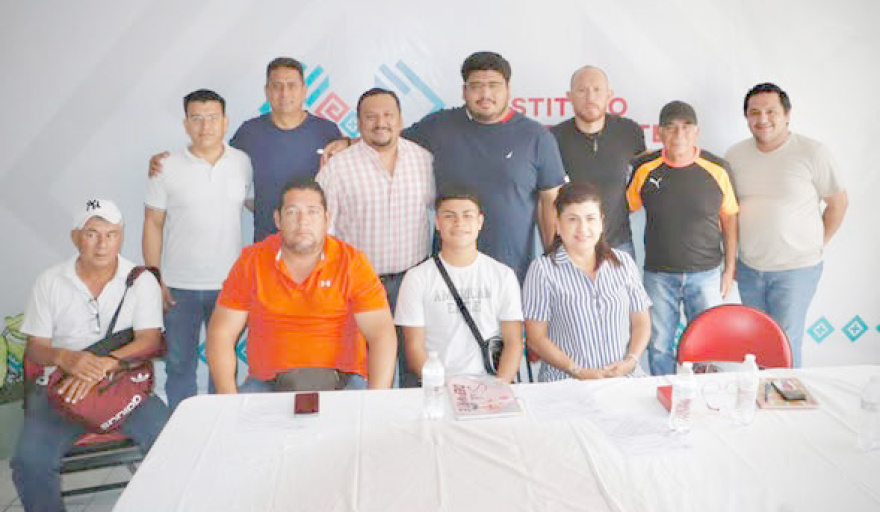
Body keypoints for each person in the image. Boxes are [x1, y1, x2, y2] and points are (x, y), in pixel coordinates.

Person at [324, 51, 566, 282]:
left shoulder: (536, 137)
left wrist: (552, 261)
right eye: (476, 86)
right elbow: (389, 138)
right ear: (464, 91)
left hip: (512, 270)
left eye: (494, 85)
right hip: (446, 274)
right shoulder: (439, 126)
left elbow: (550, 203)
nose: (485, 94)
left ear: (508, 89)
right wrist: (349, 142)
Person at [12, 199, 169, 511]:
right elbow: (36, 348)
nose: (102, 244)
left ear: (121, 235)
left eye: (111, 234)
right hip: (62, 392)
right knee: (30, 463)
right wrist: (66, 358)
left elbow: (150, 340)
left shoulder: (141, 280)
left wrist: (105, 366)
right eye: (92, 234)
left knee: (173, 444)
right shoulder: (50, 281)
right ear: (75, 237)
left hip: (123, 388)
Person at [206, 179, 397, 392]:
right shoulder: (252, 261)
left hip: (343, 384)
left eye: (312, 212)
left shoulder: (353, 263)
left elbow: (382, 334)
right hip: (267, 386)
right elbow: (221, 333)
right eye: (292, 212)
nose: (302, 221)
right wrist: (229, 400)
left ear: (327, 219)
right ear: (278, 219)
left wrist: (376, 400)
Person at [316, 87, 434, 387]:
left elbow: (440, 211)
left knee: (414, 367)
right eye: (371, 117)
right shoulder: (338, 168)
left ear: (400, 120)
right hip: (359, 285)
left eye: (388, 115)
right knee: (366, 373)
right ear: (358, 123)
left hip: (413, 281)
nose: (380, 123)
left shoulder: (424, 161)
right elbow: (322, 232)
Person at [149, 57, 341, 242]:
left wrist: (348, 142)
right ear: (267, 91)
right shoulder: (249, 132)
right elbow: (213, 160)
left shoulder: (326, 131)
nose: (284, 93)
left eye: (292, 85)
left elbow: (347, 171)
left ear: (304, 90)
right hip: (265, 244)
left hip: (314, 243)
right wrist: (167, 164)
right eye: (277, 86)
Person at [142, 89, 252, 409]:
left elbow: (256, 205)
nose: (206, 126)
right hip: (179, 286)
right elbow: (153, 223)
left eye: (213, 118)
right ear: (186, 124)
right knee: (179, 365)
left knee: (223, 366)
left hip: (229, 286)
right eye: (197, 118)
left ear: (225, 122)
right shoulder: (166, 167)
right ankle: (181, 426)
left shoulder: (242, 163)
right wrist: (154, 277)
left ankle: (220, 424)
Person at [726, 83, 847, 367]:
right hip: (750, 269)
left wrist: (816, 243)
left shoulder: (813, 152)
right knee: (755, 344)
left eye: (771, 111)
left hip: (796, 270)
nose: (763, 119)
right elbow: (729, 212)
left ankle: (788, 395)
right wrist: (731, 261)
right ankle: (760, 394)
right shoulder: (734, 156)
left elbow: (838, 204)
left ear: (787, 114)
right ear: (746, 117)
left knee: (785, 345)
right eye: (754, 112)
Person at [627, 101, 739, 375]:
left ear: (697, 132)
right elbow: (623, 209)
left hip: (706, 275)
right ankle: (664, 393)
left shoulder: (718, 168)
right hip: (658, 275)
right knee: (659, 346)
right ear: (659, 133)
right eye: (671, 127)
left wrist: (729, 269)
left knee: (708, 346)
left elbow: (729, 219)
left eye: (686, 127)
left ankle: (705, 395)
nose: (679, 135)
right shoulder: (644, 169)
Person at [522, 182, 651, 382]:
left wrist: (631, 360)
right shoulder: (542, 270)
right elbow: (536, 339)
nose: (583, 228)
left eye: (590, 218)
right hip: (567, 383)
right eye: (572, 219)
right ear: (557, 224)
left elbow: (641, 321)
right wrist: (578, 371)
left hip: (624, 379)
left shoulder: (623, 262)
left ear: (601, 223)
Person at [394, 193, 523, 383]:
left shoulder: (503, 275)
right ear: (437, 223)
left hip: (492, 385)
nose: (459, 223)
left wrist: (500, 387)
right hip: (438, 386)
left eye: (467, 215)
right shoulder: (416, 278)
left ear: (480, 222)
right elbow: (414, 348)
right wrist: (444, 388)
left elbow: (514, 343)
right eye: (449, 216)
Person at [551, 66, 646, 258]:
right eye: (582, 90)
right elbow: (547, 196)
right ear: (569, 96)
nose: (590, 97)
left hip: (619, 246)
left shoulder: (630, 132)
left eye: (597, 90)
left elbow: (644, 179)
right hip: (571, 246)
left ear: (609, 95)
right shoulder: (553, 138)